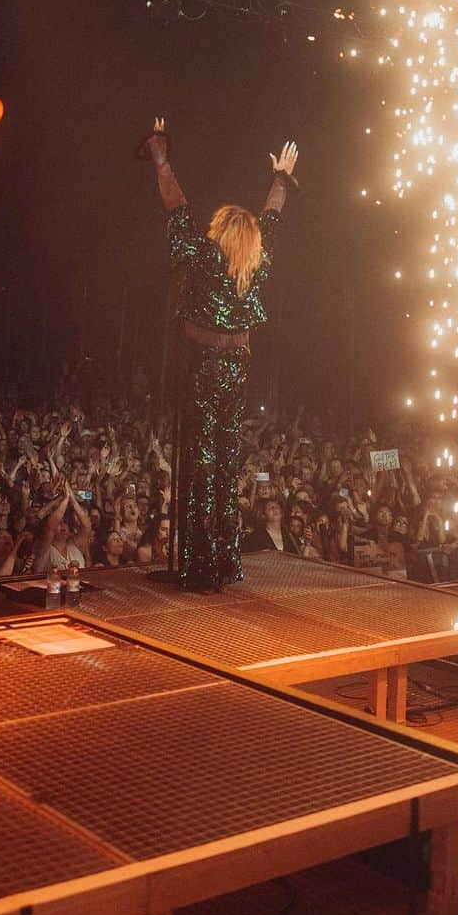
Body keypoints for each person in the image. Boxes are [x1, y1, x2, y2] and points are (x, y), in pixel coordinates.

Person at [141, 116, 298, 590]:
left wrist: (161, 157)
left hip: (205, 368)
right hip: (237, 369)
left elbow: (177, 209)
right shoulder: (256, 262)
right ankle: (224, 563)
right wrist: (279, 179)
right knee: (226, 463)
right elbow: (271, 219)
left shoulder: (202, 256)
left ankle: (199, 565)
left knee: (201, 461)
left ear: (222, 230)